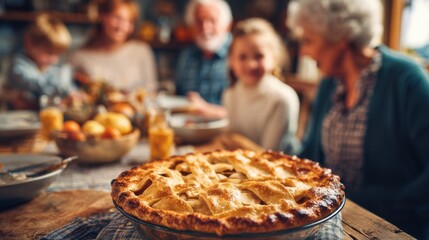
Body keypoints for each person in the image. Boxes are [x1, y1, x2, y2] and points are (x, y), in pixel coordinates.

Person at [287, 0, 429, 239]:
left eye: (308, 41)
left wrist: (366, 200)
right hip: (329, 218)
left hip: (390, 226)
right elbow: (309, 155)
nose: (303, 52)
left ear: (340, 39)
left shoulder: (406, 79)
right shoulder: (329, 82)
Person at [192, 18, 300, 152]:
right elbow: (228, 143)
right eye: (243, 57)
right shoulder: (230, 94)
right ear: (231, 61)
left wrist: (236, 141)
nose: (251, 64)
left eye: (259, 56)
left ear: (274, 57)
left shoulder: (282, 99)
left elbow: (271, 156)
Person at [71, 0, 157, 93]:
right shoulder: (79, 57)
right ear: (103, 16)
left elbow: (152, 91)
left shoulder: (141, 51)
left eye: (130, 21)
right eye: (117, 18)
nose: (123, 27)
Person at [5, 13, 77, 110]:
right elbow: (43, 87)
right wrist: (65, 78)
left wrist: (73, 92)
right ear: (29, 43)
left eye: (58, 55)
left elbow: (67, 88)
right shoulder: (18, 67)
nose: (54, 60)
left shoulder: (50, 67)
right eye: (49, 53)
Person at [174, 0, 232, 105]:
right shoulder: (187, 55)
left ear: (227, 25)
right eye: (199, 21)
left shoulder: (239, 55)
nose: (205, 27)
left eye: (212, 20)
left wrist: (206, 110)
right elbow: (177, 96)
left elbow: (247, 111)